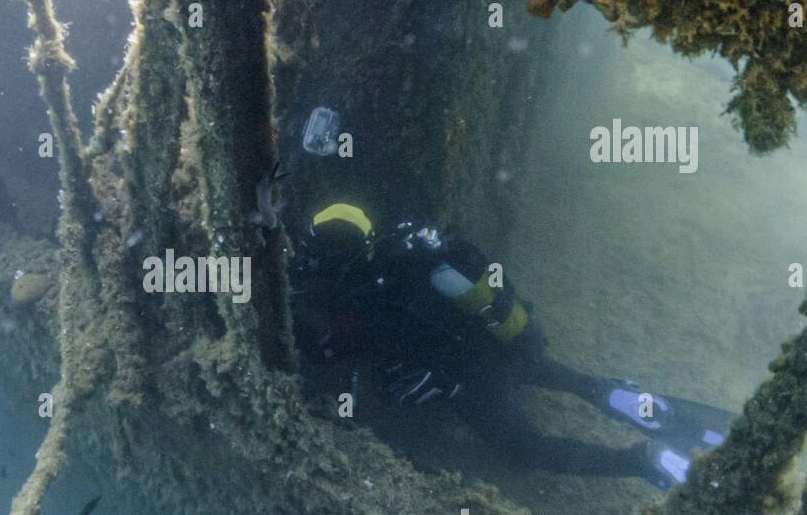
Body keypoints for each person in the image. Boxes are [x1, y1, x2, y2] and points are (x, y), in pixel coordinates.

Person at [290, 202, 732, 490]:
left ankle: (643, 461)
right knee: (560, 377)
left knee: (526, 449)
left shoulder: (362, 300)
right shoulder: (409, 251)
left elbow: (328, 353)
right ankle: (624, 398)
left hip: (471, 379)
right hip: (504, 344)